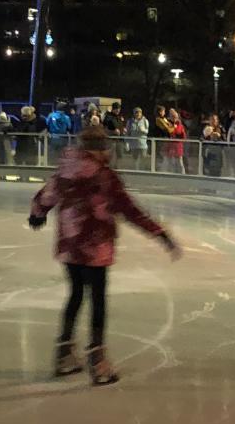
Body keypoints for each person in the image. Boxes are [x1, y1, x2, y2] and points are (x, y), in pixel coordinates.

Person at [29, 126, 181, 386]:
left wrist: (38, 213)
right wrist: (160, 233)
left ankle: (64, 353)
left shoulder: (66, 170)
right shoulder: (104, 176)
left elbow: (46, 195)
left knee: (76, 294)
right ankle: (98, 362)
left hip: (70, 244)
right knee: (97, 299)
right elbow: (130, 210)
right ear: (100, 148)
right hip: (96, 245)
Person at [165, 108, 187, 174]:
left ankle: (183, 176)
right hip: (169, 147)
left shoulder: (180, 125)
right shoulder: (167, 124)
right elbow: (167, 133)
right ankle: (170, 176)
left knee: (180, 163)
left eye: (175, 116)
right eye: (172, 116)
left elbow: (183, 136)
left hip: (178, 147)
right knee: (170, 163)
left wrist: (176, 130)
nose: (174, 118)